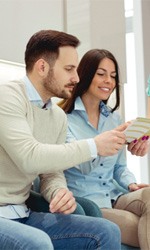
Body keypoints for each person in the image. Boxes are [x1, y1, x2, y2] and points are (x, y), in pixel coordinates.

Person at [0, 30, 126, 250]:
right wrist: (93, 146)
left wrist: (58, 191)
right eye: (69, 69)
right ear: (42, 67)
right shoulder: (8, 98)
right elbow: (30, 157)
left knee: (106, 231)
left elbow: (51, 172)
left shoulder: (57, 116)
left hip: (22, 213)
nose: (76, 78)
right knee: (38, 243)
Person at [59, 49, 150, 250]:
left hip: (116, 195)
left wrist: (131, 183)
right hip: (87, 202)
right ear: (85, 75)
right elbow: (80, 165)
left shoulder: (114, 118)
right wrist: (101, 144)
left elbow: (119, 167)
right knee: (140, 226)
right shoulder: (63, 120)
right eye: (101, 74)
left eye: (113, 76)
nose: (108, 80)